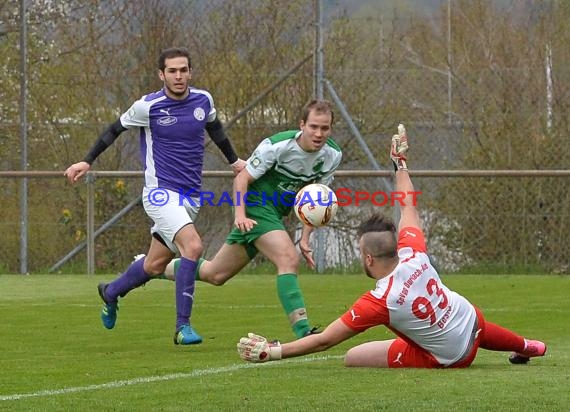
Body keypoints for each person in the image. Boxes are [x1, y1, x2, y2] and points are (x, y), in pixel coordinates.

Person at [236, 125, 547, 367]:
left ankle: (502, 346)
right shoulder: (414, 252)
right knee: (471, 322)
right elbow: (408, 205)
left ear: (369, 258)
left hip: (450, 357)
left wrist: (273, 352)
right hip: (469, 318)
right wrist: (400, 164)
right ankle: (527, 346)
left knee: (354, 356)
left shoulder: (381, 300)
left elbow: (324, 341)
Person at [64, 47, 246, 345]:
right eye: (172, 71)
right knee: (193, 245)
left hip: (190, 198)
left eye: (183, 70)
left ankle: (110, 292)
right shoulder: (147, 106)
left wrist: (234, 161)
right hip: (160, 195)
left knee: (154, 265)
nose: (178, 76)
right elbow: (114, 130)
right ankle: (182, 327)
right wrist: (87, 160)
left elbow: (216, 129)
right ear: (161, 74)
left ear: (190, 72)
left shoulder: (203, 100)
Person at [139, 99, 342, 338]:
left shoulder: (332, 155)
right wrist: (240, 215)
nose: (319, 133)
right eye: (313, 127)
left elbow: (314, 201)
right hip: (255, 208)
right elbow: (241, 179)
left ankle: (155, 267)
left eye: (324, 128)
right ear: (302, 125)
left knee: (215, 274)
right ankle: (303, 331)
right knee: (288, 258)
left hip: (274, 215)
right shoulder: (278, 145)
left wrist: (306, 236)